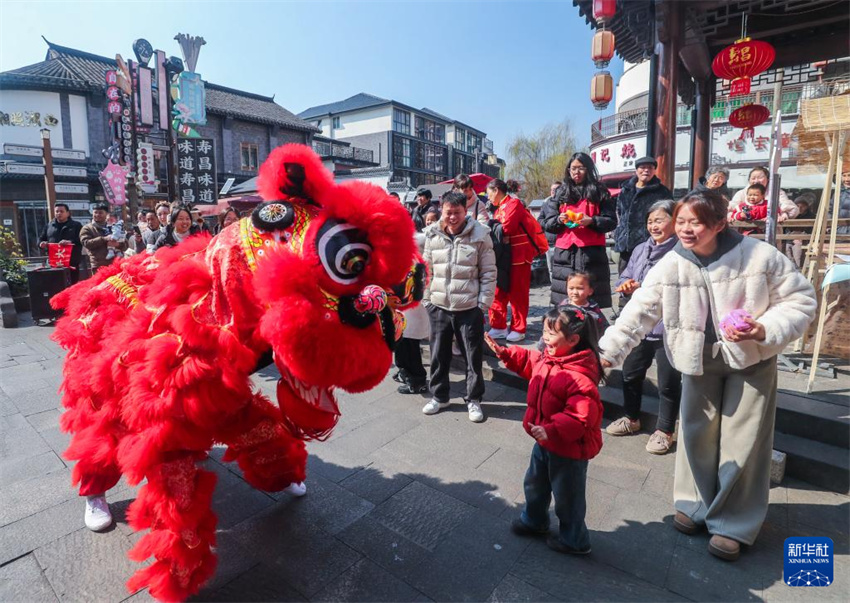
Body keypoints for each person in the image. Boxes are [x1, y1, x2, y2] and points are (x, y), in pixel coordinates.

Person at [598, 189, 816, 561]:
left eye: (695, 223)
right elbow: (638, 312)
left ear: (719, 223)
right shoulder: (671, 262)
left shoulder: (759, 255)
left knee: (742, 440)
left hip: (751, 360)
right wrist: (604, 354)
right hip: (696, 360)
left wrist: (762, 329)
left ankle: (734, 522)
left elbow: (802, 300)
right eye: (680, 221)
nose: (685, 229)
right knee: (696, 433)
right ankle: (694, 503)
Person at [485, 305, 603, 555]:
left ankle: (575, 540)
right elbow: (530, 362)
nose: (544, 338)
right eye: (545, 332)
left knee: (568, 497)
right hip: (544, 440)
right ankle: (534, 520)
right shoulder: (550, 358)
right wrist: (506, 354)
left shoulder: (580, 377)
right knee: (535, 483)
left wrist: (552, 429)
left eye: (551, 334)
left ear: (573, 340)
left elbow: (580, 414)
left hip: (568, 449)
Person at [605, 200, 681, 455]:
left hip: (668, 326)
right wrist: (627, 284)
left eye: (659, 220)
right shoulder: (640, 249)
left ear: (674, 220)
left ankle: (665, 430)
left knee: (668, 382)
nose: (653, 226)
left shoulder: (681, 252)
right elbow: (625, 275)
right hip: (638, 324)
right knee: (630, 374)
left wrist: (645, 288)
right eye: (650, 221)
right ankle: (631, 418)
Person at [422, 191, 496, 422]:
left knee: (472, 357)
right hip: (439, 305)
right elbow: (426, 270)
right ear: (441, 211)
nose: (452, 217)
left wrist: (483, 304)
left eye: (457, 212)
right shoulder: (432, 235)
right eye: (448, 212)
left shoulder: (480, 235)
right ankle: (439, 396)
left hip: (469, 307)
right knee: (438, 355)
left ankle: (473, 400)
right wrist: (426, 299)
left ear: (466, 211)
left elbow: (489, 273)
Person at [542, 152, 617, 308]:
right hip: (565, 254)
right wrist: (558, 220)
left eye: (581, 168)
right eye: (573, 168)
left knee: (591, 301)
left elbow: (611, 222)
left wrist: (592, 220)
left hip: (592, 253)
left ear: (588, 169)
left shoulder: (600, 191)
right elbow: (547, 223)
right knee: (565, 301)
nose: (576, 172)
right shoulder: (560, 192)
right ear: (568, 170)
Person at [486, 178, 548, 343]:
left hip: (519, 254)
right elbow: (501, 230)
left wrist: (492, 226)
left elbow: (507, 228)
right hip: (503, 256)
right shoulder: (500, 208)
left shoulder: (514, 204)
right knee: (499, 291)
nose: (488, 197)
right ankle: (498, 326)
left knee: (518, 293)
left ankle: (518, 328)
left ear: (496, 190)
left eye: (489, 193)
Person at [613, 156, 672, 276]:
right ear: (636, 170)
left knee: (646, 278)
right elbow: (619, 211)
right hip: (626, 244)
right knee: (624, 279)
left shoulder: (662, 191)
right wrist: (619, 233)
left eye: (650, 168)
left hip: (648, 243)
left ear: (654, 171)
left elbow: (670, 214)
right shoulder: (626, 190)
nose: (646, 170)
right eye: (643, 167)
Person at [394, 229, 430, 394]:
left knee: (410, 347)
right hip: (401, 313)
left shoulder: (415, 261)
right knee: (402, 345)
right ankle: (405, 373)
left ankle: (417, 381)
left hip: (411, 312)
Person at [729, 166, 798, 219]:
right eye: (753, 178)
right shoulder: (741, 193)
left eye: (760, 177)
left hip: (770, 232)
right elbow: (730, 210)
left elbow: (791, 210)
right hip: (745, 232)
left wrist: (781, 215)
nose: (756, 181)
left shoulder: (777, 193)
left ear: (768, 179)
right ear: (749, 180)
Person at [38, 203, 83, 284]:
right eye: (57, 211)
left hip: (71, 262)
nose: (59, 213)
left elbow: (81, 240)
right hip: (55, 263)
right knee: (56, 286)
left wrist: (70, 242)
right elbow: (40, 239)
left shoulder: (76, 225)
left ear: (68, 213)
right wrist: (41, 244)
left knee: (72, 286)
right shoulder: (49, 225)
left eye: (61, 211)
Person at [80, 203, 128, 273]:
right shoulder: (87, 228)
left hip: (116, 263)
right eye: (95, 212)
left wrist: (118, 244)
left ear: (106, 214)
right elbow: (86, 243)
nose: (97, 215)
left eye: (100, 213)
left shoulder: (113, 226)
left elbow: (125, 244)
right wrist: (104, 239)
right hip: (98, 265)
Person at [537, 182, 562, 279]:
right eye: (552, 190)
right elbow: (539, 220)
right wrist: (548, 224)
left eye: (556, 190)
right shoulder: (546, 203)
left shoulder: (566, 203)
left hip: (562, 240)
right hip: (550, 241)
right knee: (551, 269)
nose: (554, 192)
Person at [838, 168, 850, 235]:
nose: (847, 179)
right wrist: (829, 226)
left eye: (849, 175)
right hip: (839, 232)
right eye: (844, 176)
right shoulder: (838, 193)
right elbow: (830, 210)